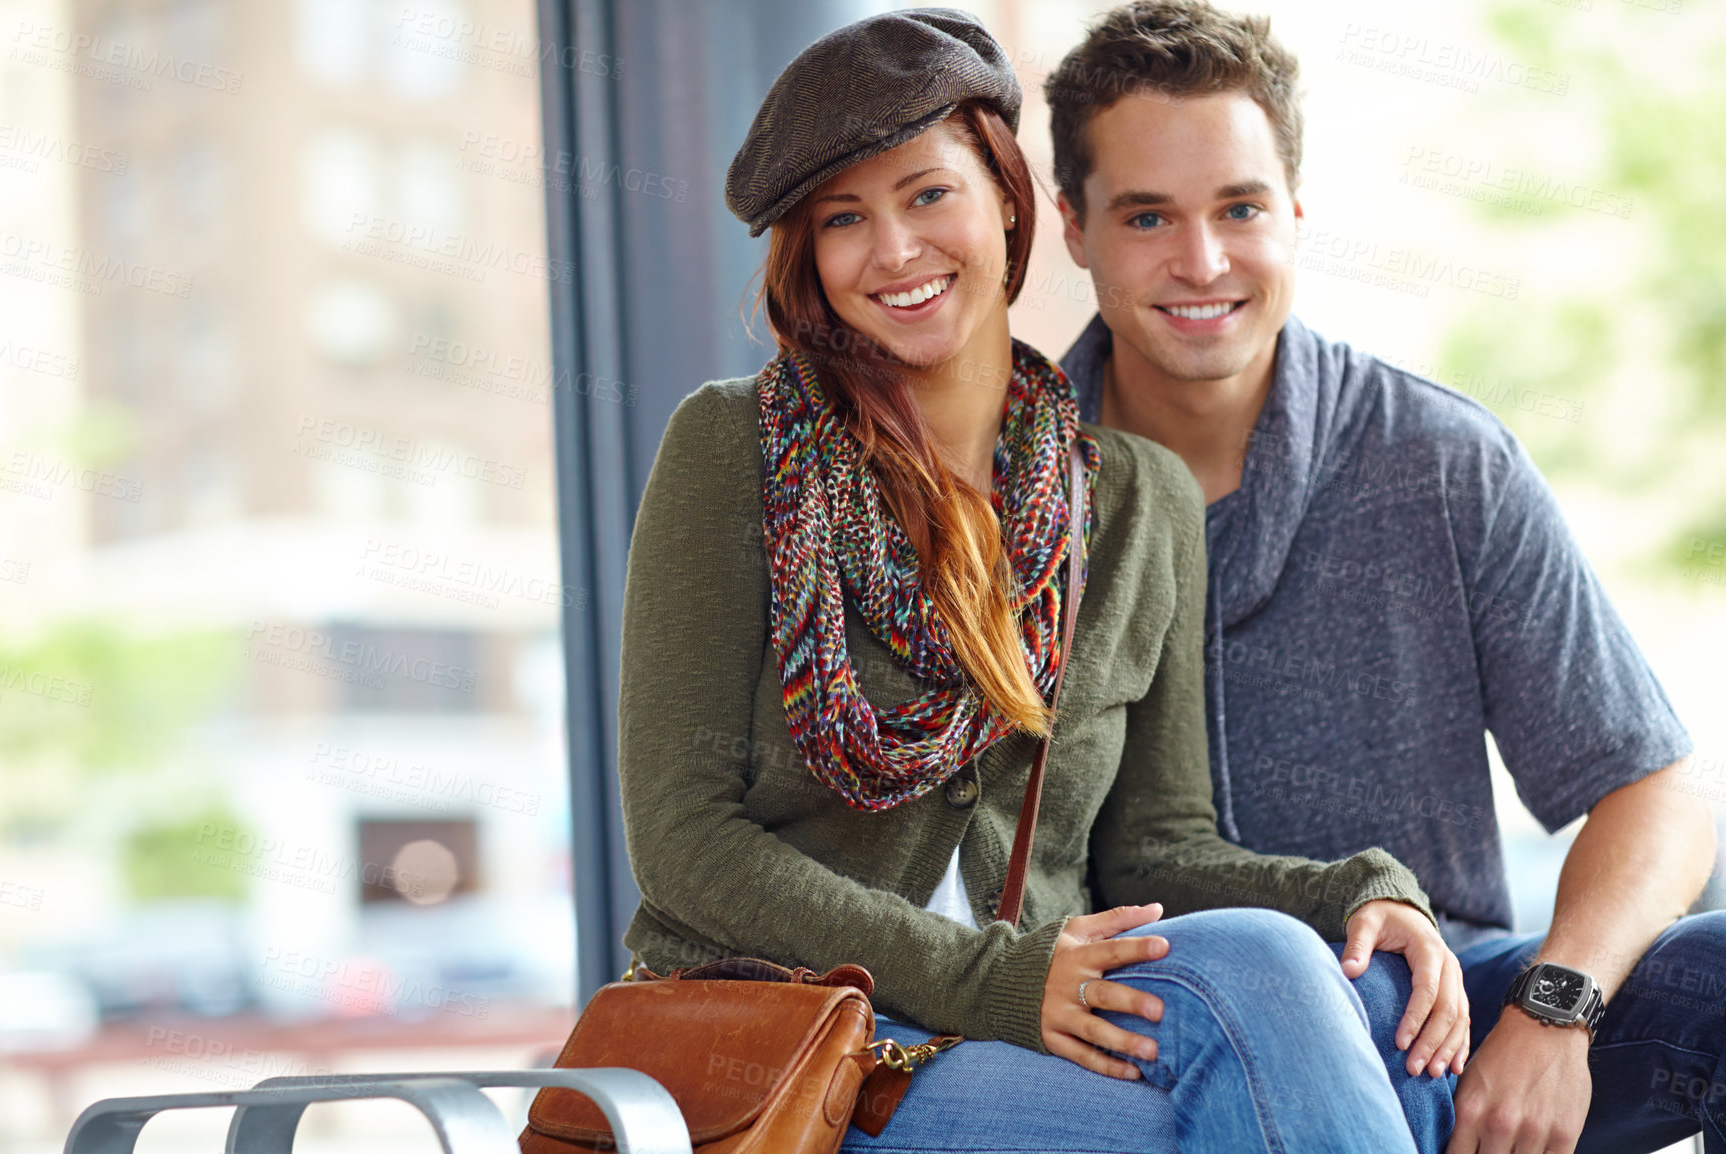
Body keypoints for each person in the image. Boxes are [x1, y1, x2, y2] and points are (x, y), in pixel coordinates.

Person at [617, 10, 1465, 1153]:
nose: (896, 249)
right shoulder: (733, 447)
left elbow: (1157, 849)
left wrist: (1362, 891)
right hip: (794, 1041)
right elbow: (684, 838)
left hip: (1024, 1014)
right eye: (843, 220)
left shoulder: (1136, 499)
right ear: (807, 256)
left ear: (1007, 199)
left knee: (1301, 978)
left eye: (928, 194)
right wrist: (987, 975)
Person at [1044, 3, 1724, 1151]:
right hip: (1146, 1043)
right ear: (1073, 227)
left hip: (1441, 1020)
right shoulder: (1007, 503)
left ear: (1296, 213)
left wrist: (1552, 1013)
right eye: (1148, 215)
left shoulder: (1438, 462)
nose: (1201, 261)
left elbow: (1653, 791)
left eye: (1240, 208)